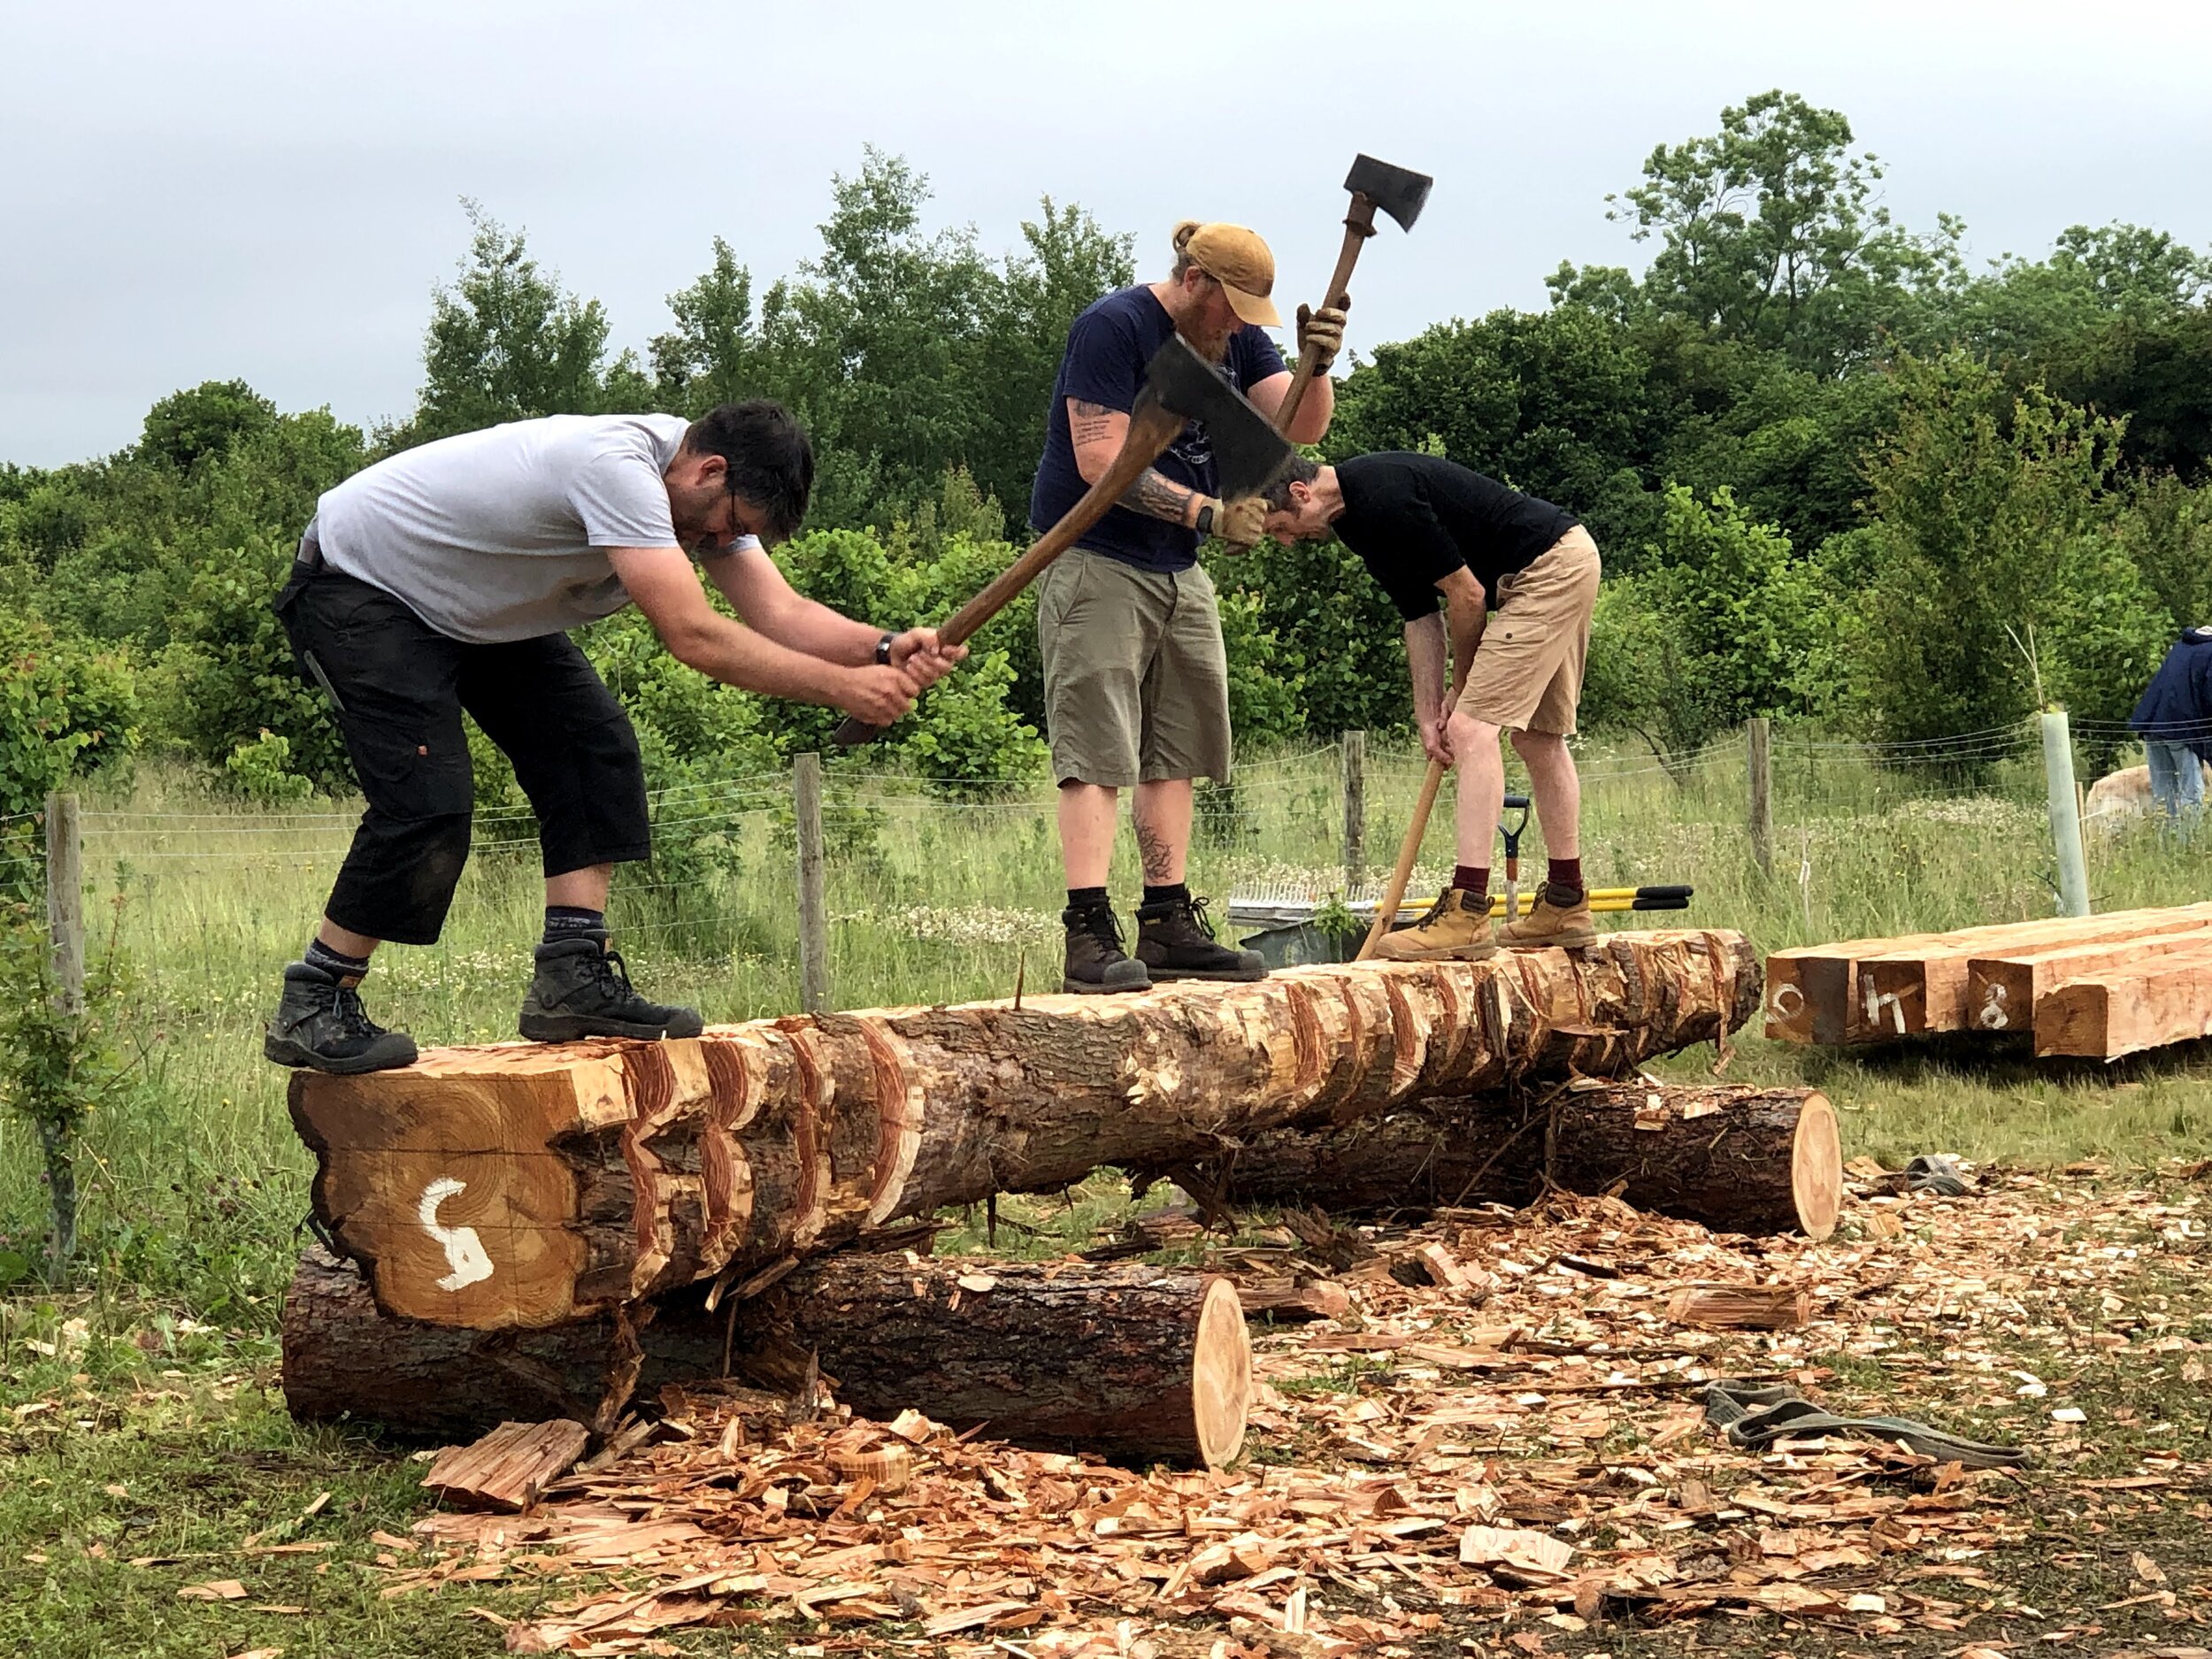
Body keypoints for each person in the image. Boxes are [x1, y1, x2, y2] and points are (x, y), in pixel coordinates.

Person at [263, 402, 963, 1074]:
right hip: (363, 583)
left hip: (469, 603)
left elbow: (781, 610)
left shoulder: (702, 492)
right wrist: (842, 688)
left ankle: (572, 975)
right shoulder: (619, 470)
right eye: (729, 525)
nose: (720, 544)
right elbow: (692, 634)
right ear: (708, 470)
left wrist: (882, 649)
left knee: (593, 745)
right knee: (428, 799)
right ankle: (315, 998)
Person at [1030, 219, 1344, 992]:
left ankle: (1167, 920)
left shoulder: (1234, 337)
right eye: (1229, 307)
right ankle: (1087, 932)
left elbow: (1296, 421)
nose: (1237, 327)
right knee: (1097, 748)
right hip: (1096, 555)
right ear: (1194, 280)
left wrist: (1321, 364)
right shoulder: (1114, 327)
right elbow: (1101, 463)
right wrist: (1207, 513)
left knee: (1178, 746)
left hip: (1175, 571)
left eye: (1249, 316)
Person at [1262, 450, 1600, 959]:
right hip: (1558, 563)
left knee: (1471, 729)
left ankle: (1466, 913)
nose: (1287, 542)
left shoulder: (1382, 496)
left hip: (1547, 568)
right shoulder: (1356, 520)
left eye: (1282, 528)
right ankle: (1566, 902)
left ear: (1299, 493)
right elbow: (1421, 616)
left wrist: (1461, 688)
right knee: (1536, 736)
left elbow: (1467, 597)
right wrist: (1426, 713)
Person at [2130, 625, 2212, 822]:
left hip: (2153, 726)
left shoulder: (2181, 647)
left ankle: (2167, 845)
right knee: (2192, 794)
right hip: (2182, 729)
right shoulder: (2210, 652)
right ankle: (2188, 846)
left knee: (2164, 794)